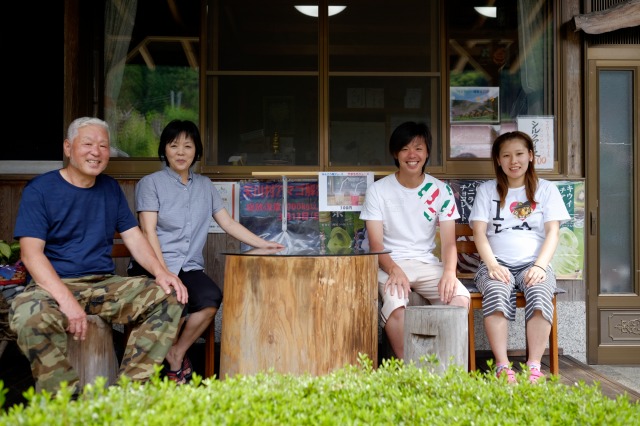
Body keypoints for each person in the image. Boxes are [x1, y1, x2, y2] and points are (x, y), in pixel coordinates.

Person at [9, 117, 188, 396]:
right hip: (52, 286)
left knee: (170, 296)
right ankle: (64, 400)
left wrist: (161, 272)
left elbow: (134, 238)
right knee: (28, 317)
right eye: (88, 144)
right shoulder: (40, 190)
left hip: (102, 284)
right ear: (68, 148)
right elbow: (31, 256)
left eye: (103, 146)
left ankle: (126, 395)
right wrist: (67, 302)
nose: (96, 151)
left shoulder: (110, 188)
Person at [129, 119, 285, 384]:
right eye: (174, 145)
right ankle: (151, 371)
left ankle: (175, 354)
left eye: (187, 146)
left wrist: (263, 244)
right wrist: (164, 272)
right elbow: (148, 231)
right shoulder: (150, 183)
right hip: (153, 265)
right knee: (172, 301)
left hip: (188, 267)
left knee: (211, 298)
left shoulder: (205, 185)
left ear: (196, 151)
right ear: (164, 149)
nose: (181, 152)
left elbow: (228, 223)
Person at [359, 121, 470, 360]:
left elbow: (450, 243)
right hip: (390, 264)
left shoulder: (441, 190)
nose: (412, 155)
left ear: (427, 152)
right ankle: (409, 368)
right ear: (395, 154)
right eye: (405, 149)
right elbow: (376, 245)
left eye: (418, 148)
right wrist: (394, 269)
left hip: (427, 265)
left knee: (459, 299)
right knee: (396, 305)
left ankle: (444, 367)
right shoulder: (378, 191)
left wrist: (450, 273)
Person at [468, 131, 570, 384]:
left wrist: (540, 266)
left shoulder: (546, 190)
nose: (514, 161)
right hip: (495, 264)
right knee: (497, 290)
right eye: (506, 155)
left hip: (533, 264)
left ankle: (534, 365)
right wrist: (492, 265)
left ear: (531, 156)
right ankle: (503, 366)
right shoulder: (486, 190)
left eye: (519, 154)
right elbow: (479, 233)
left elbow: (553, 232)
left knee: (539, 291)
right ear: (498, 160)